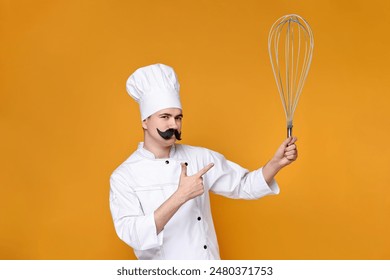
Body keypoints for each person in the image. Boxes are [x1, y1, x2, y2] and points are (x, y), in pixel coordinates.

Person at [109, 63, 298, 260]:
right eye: (165, 117)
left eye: (178, 117)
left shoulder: (200, 157)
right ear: (145, 121)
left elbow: (244, 185)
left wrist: (276, 163)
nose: (174, 125)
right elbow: (134, 235)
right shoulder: (125, 176)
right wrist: (180, 196)